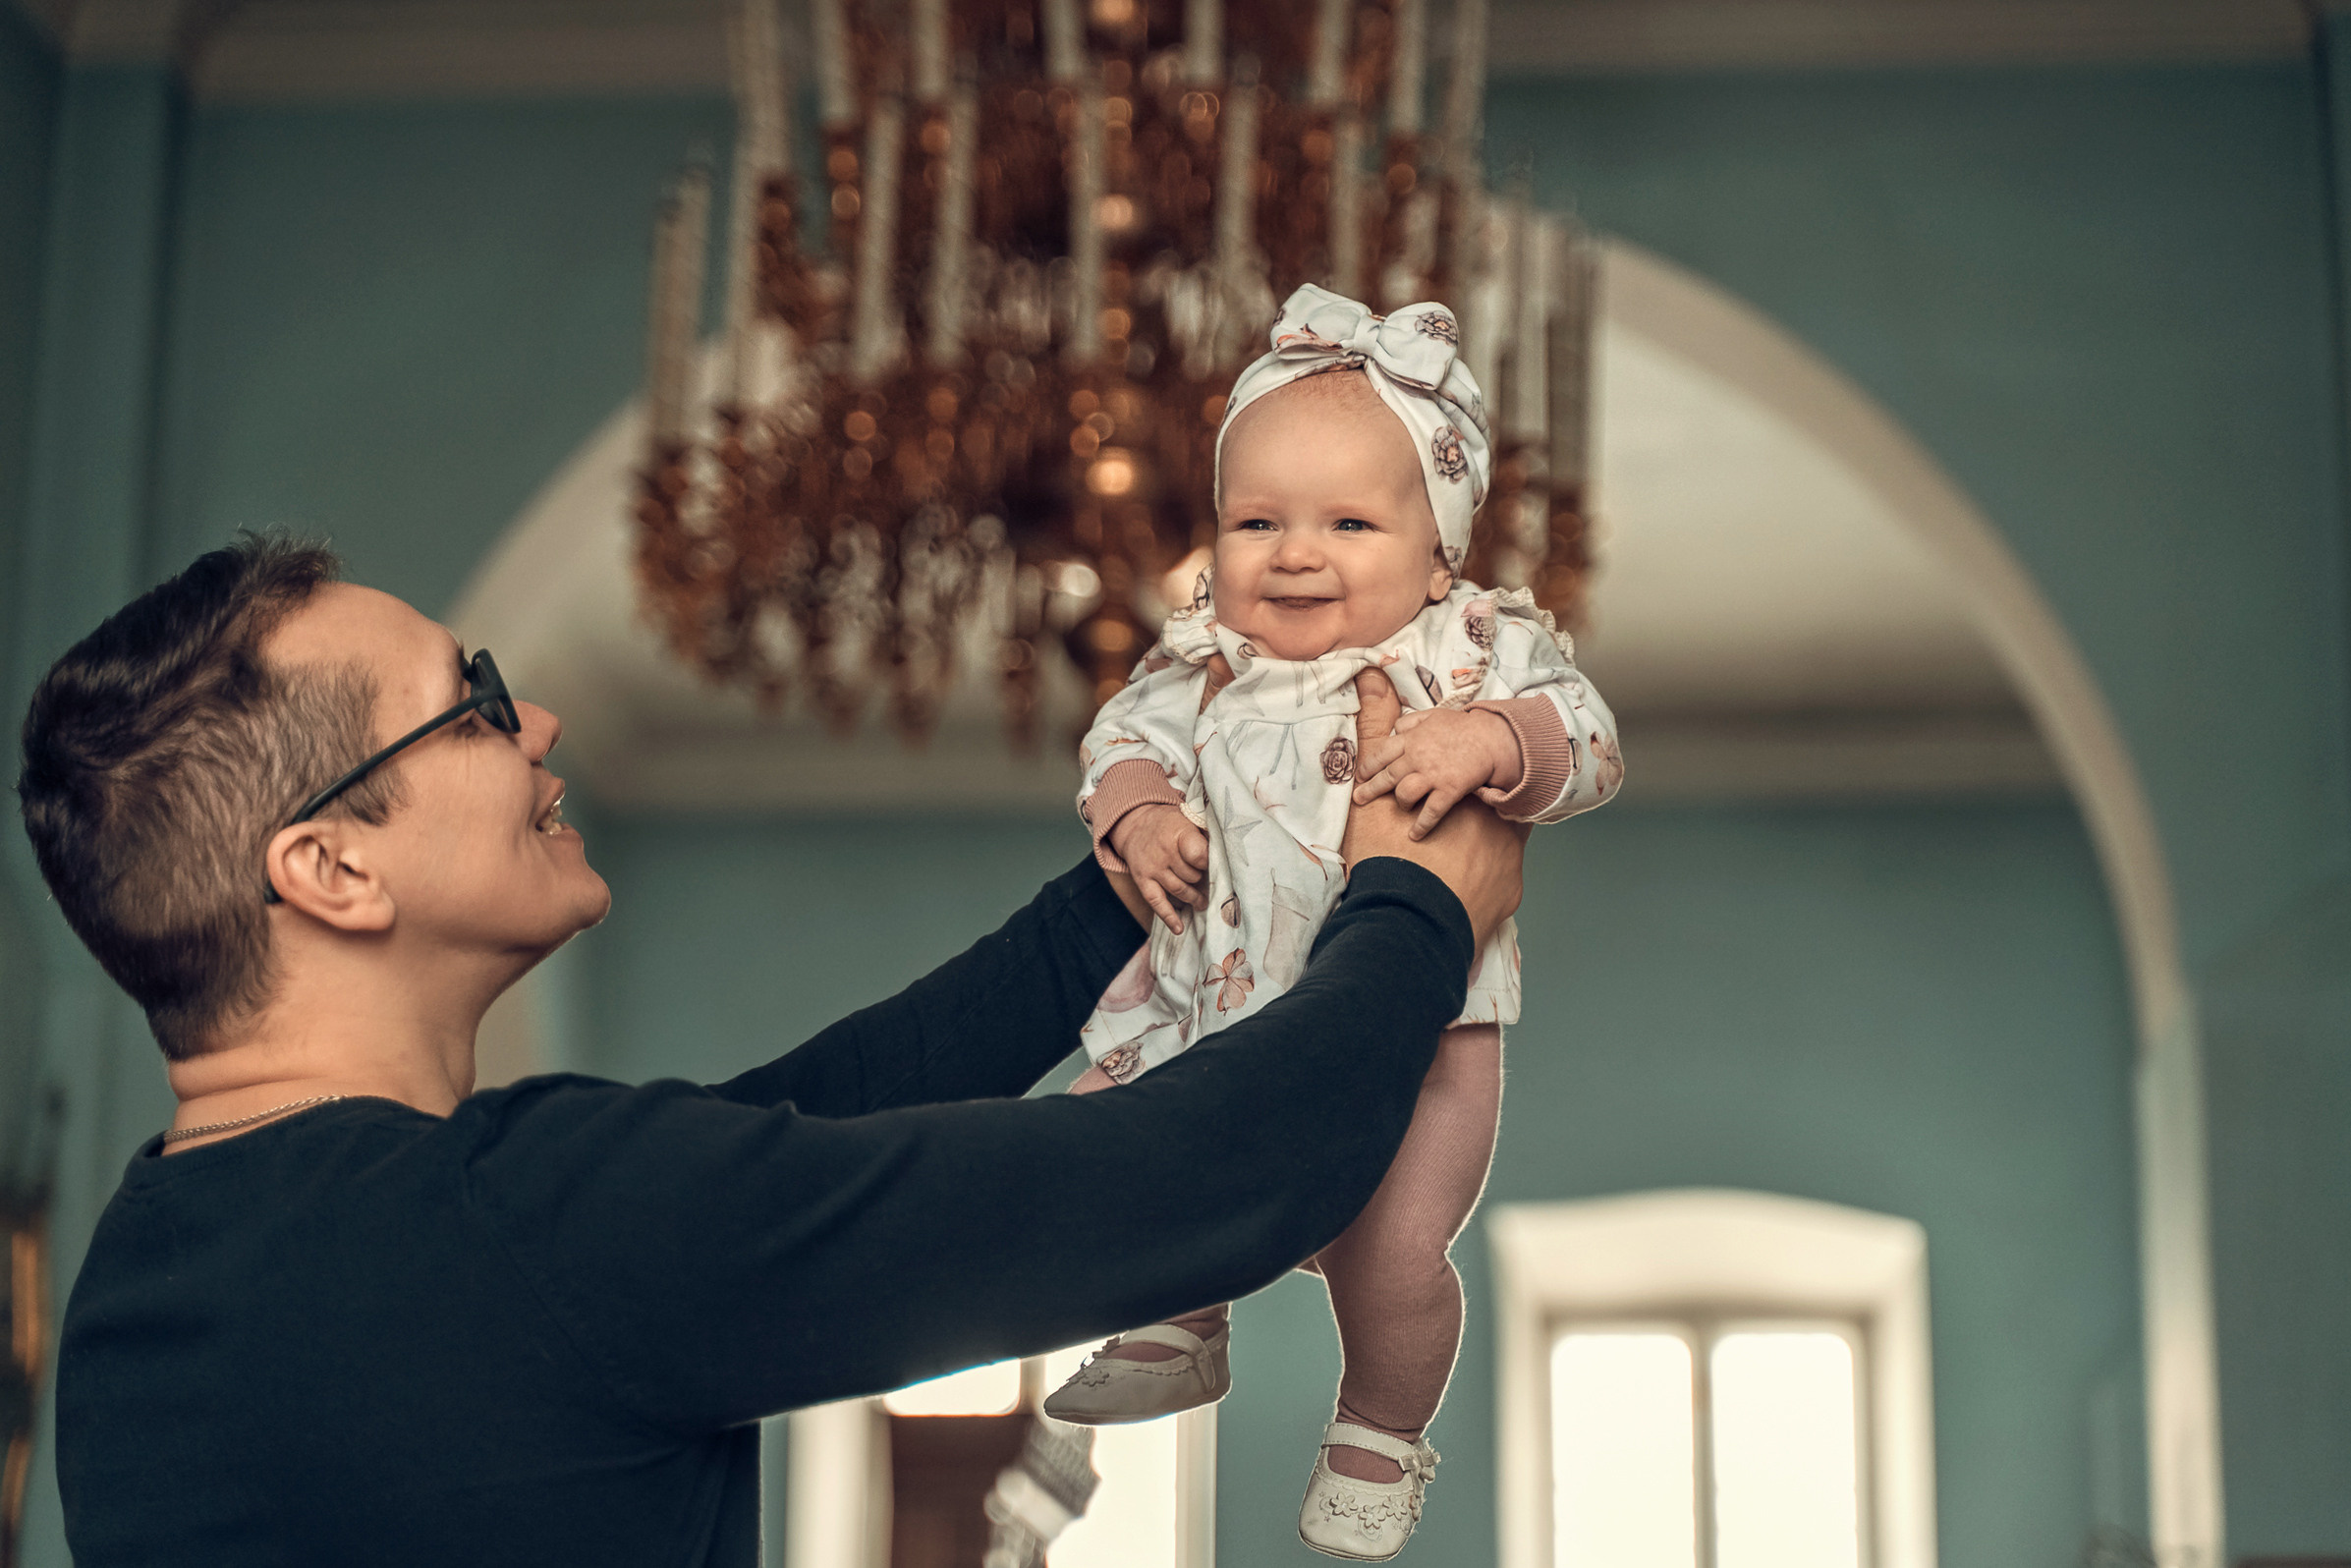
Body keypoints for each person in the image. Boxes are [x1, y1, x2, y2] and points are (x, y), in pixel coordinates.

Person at [13, 533, 1527, 1567]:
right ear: (331, 871)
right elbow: (1202, 1178)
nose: (533, 719)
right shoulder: (541, 1227)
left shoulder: (149, 1279)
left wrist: (1140, 876)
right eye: (465, 706)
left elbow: (797, 1133)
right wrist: (1417, 910)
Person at [1041, 285, 1621, 1560]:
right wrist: (1136, 812)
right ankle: (1175, 1322)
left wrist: (1492, 740)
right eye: (1256, 521)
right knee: (1121, 1155)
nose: (1294, 553)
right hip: (1222, 1009)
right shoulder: (1199, 664)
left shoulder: (1472, 652)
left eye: (1348, 521)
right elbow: (1116, 748)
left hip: (1429, 1051)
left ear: (1440, 556)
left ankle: (1378, 1426)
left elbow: (1587, 741)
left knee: (1395, 1255)